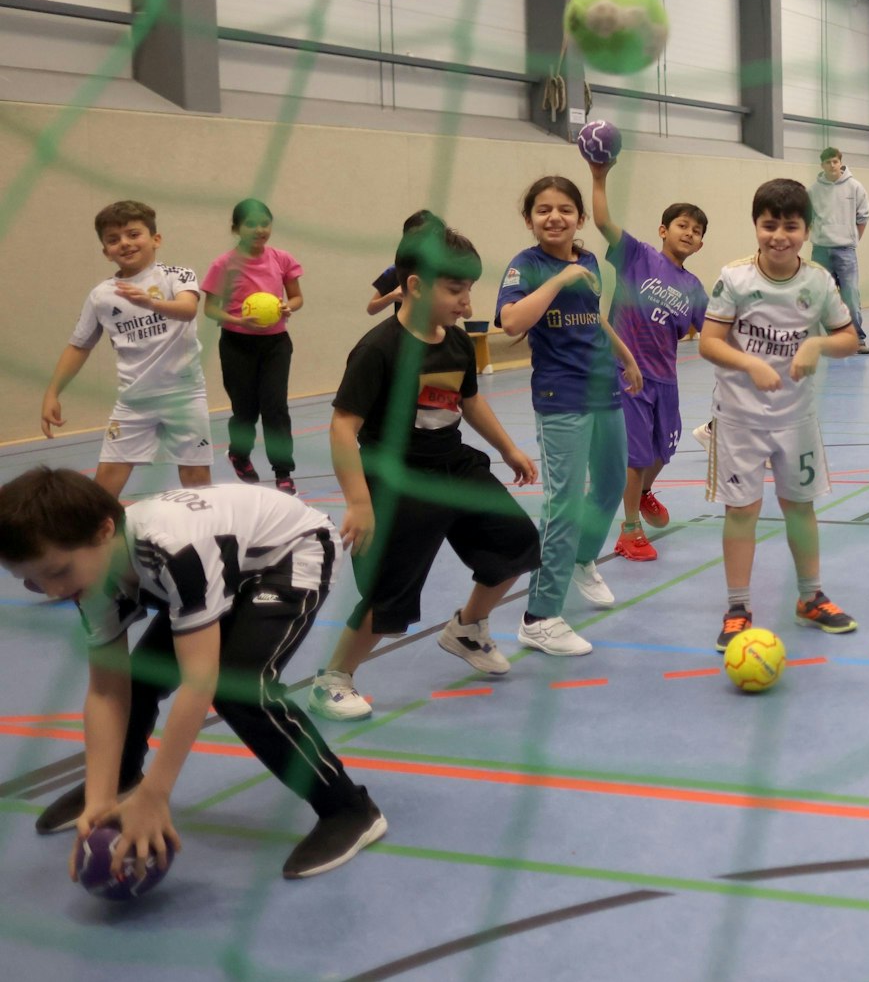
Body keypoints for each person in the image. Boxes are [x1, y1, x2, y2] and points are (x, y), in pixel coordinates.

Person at [1, 467, 387, 878]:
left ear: (103, 532)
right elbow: (106, 693)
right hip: (223, 566)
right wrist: (100, 796)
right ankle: (122, 779)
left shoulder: (172, 550)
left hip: (290, 553)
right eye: (33, 583)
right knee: (139, 679)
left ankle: (350, 810)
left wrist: (157, 795)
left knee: (238, 688)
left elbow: (199, 681)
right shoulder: (89, 576)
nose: (54, 591)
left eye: (57, 572)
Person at [309, 226, 543, 721]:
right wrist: (359, 501)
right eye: (455, 291)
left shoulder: (456, 343)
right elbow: (341, 426)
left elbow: (469, 400)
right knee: (388, 593)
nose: (465, 302)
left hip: (452, 465)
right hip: (395, 479)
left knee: (517, 542)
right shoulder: (379, 350)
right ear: (415, 286)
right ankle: (334, 678)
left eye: (468, 290)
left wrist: (507, 448)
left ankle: (468, 626)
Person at [700, 179, 862, 650]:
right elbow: (710, 342)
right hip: (739, 419)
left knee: (800, 508)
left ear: (806, 230)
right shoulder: (734, 278)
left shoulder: (818, 281)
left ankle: (810, 597)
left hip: (796, 418)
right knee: (742, 512)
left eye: (790, 226)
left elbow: (848, 339)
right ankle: (737, 607)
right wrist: (749, 362)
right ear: (756, 225)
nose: (779, 236)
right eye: (769, 225)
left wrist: (817, 343)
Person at [497, 175, 643, 656]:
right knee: (563, 504)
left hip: (604, 389)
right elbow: (512, 322)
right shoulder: (525, 266)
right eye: (543, 210)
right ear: (529, 219)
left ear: (580, 218)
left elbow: (594, 316)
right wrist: (557, 279)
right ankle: (539, 618)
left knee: (607, 486)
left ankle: (581, 558)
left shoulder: (588, 261)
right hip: (562, 398)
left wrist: (625, 355)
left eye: (564, 209)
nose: (554, 217)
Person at [45, 200, 212, 498]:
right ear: (106, 251)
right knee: (104, 489)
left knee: (197, 480)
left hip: (184, 395)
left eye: (133, 234)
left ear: (155, 239)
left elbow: (187, 310)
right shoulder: (101, 296)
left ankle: (208, 536)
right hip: (133, 401)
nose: (124, 243)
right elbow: (79, 346)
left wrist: (151, 303)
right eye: (113, 239)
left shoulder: (177, 275)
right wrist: (52, 393)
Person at [587, 158, 709, 563]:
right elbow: (603, 221)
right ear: (663, 230)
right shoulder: (637, 256)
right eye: (682, 226)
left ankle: (641, 493)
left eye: (697, 231)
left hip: (666, 379)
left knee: (663, 450)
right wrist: (600, 176)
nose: (689, 233)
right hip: (627, 373)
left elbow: (713, 332)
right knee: (636, 455)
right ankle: (629, 530)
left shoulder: (693, 287)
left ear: (701, 243)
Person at [202, 199, 304, 493]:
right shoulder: (223, 264)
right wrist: (238, 321)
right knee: (245, 411)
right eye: (250, 224)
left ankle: (283, 471)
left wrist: (288, 307)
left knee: (275, 408)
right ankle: (239, 453)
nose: (259, 230)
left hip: (276, 344)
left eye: (265, 223)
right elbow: (210, 308)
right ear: (236, 228)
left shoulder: (282, 258)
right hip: (237, 345)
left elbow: (297, 298)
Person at [809, 147, 869, 354]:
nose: (832, 165)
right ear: (822, 165)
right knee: (821, 297)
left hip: (845, 251)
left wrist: (852, 241)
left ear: (840, 162)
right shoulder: (813, 191)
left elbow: (862, 218)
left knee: (851, 296)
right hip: (820, 251)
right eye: (828, 162)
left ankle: (858, 339)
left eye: (835, 161)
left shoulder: (855, 187)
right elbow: (808, 220)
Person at [366, 211, 445, 316]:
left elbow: (467, 312)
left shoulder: (445, 270)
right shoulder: (396, 270)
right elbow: (371, 309)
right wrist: (392, 296)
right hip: (404, 328)